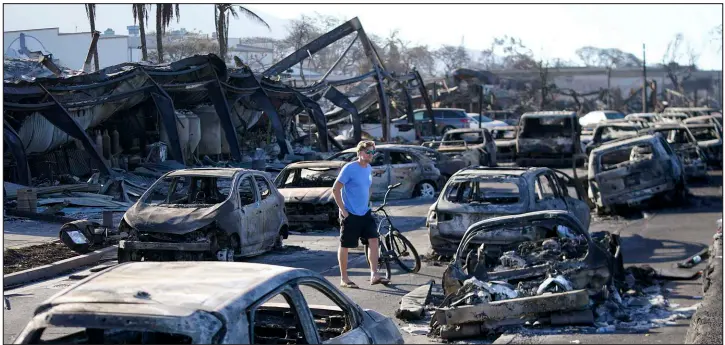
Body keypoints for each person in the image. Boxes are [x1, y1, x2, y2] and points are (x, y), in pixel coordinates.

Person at [332, 140, 389, 288]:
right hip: (350, 213)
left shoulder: (368, 168)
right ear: (359, 153)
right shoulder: (349, 168)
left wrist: (368, 203)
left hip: (365, 212)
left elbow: (368, 187)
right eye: (367, 152)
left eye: (372, 152)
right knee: (346, 245)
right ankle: (344, 279)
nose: (370, 155)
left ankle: (374, 274)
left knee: (374, 240)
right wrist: (343, 211)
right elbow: (335, 189)